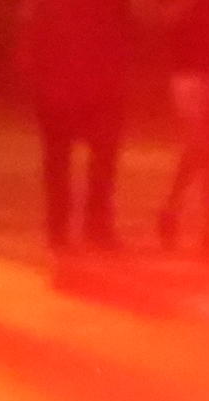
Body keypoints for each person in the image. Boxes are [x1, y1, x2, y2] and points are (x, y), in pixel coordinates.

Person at [24, 0, 131, 254]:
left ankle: (76, 228)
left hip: (80, 85)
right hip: (75, 85)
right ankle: (81, 227)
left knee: (71, 161)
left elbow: (121, 36)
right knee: (76, 160)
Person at [153, 0, 209, 254]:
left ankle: (189, 219)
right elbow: (166, 20)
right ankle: (198, 224)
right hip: (192, 77)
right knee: (206, 150)